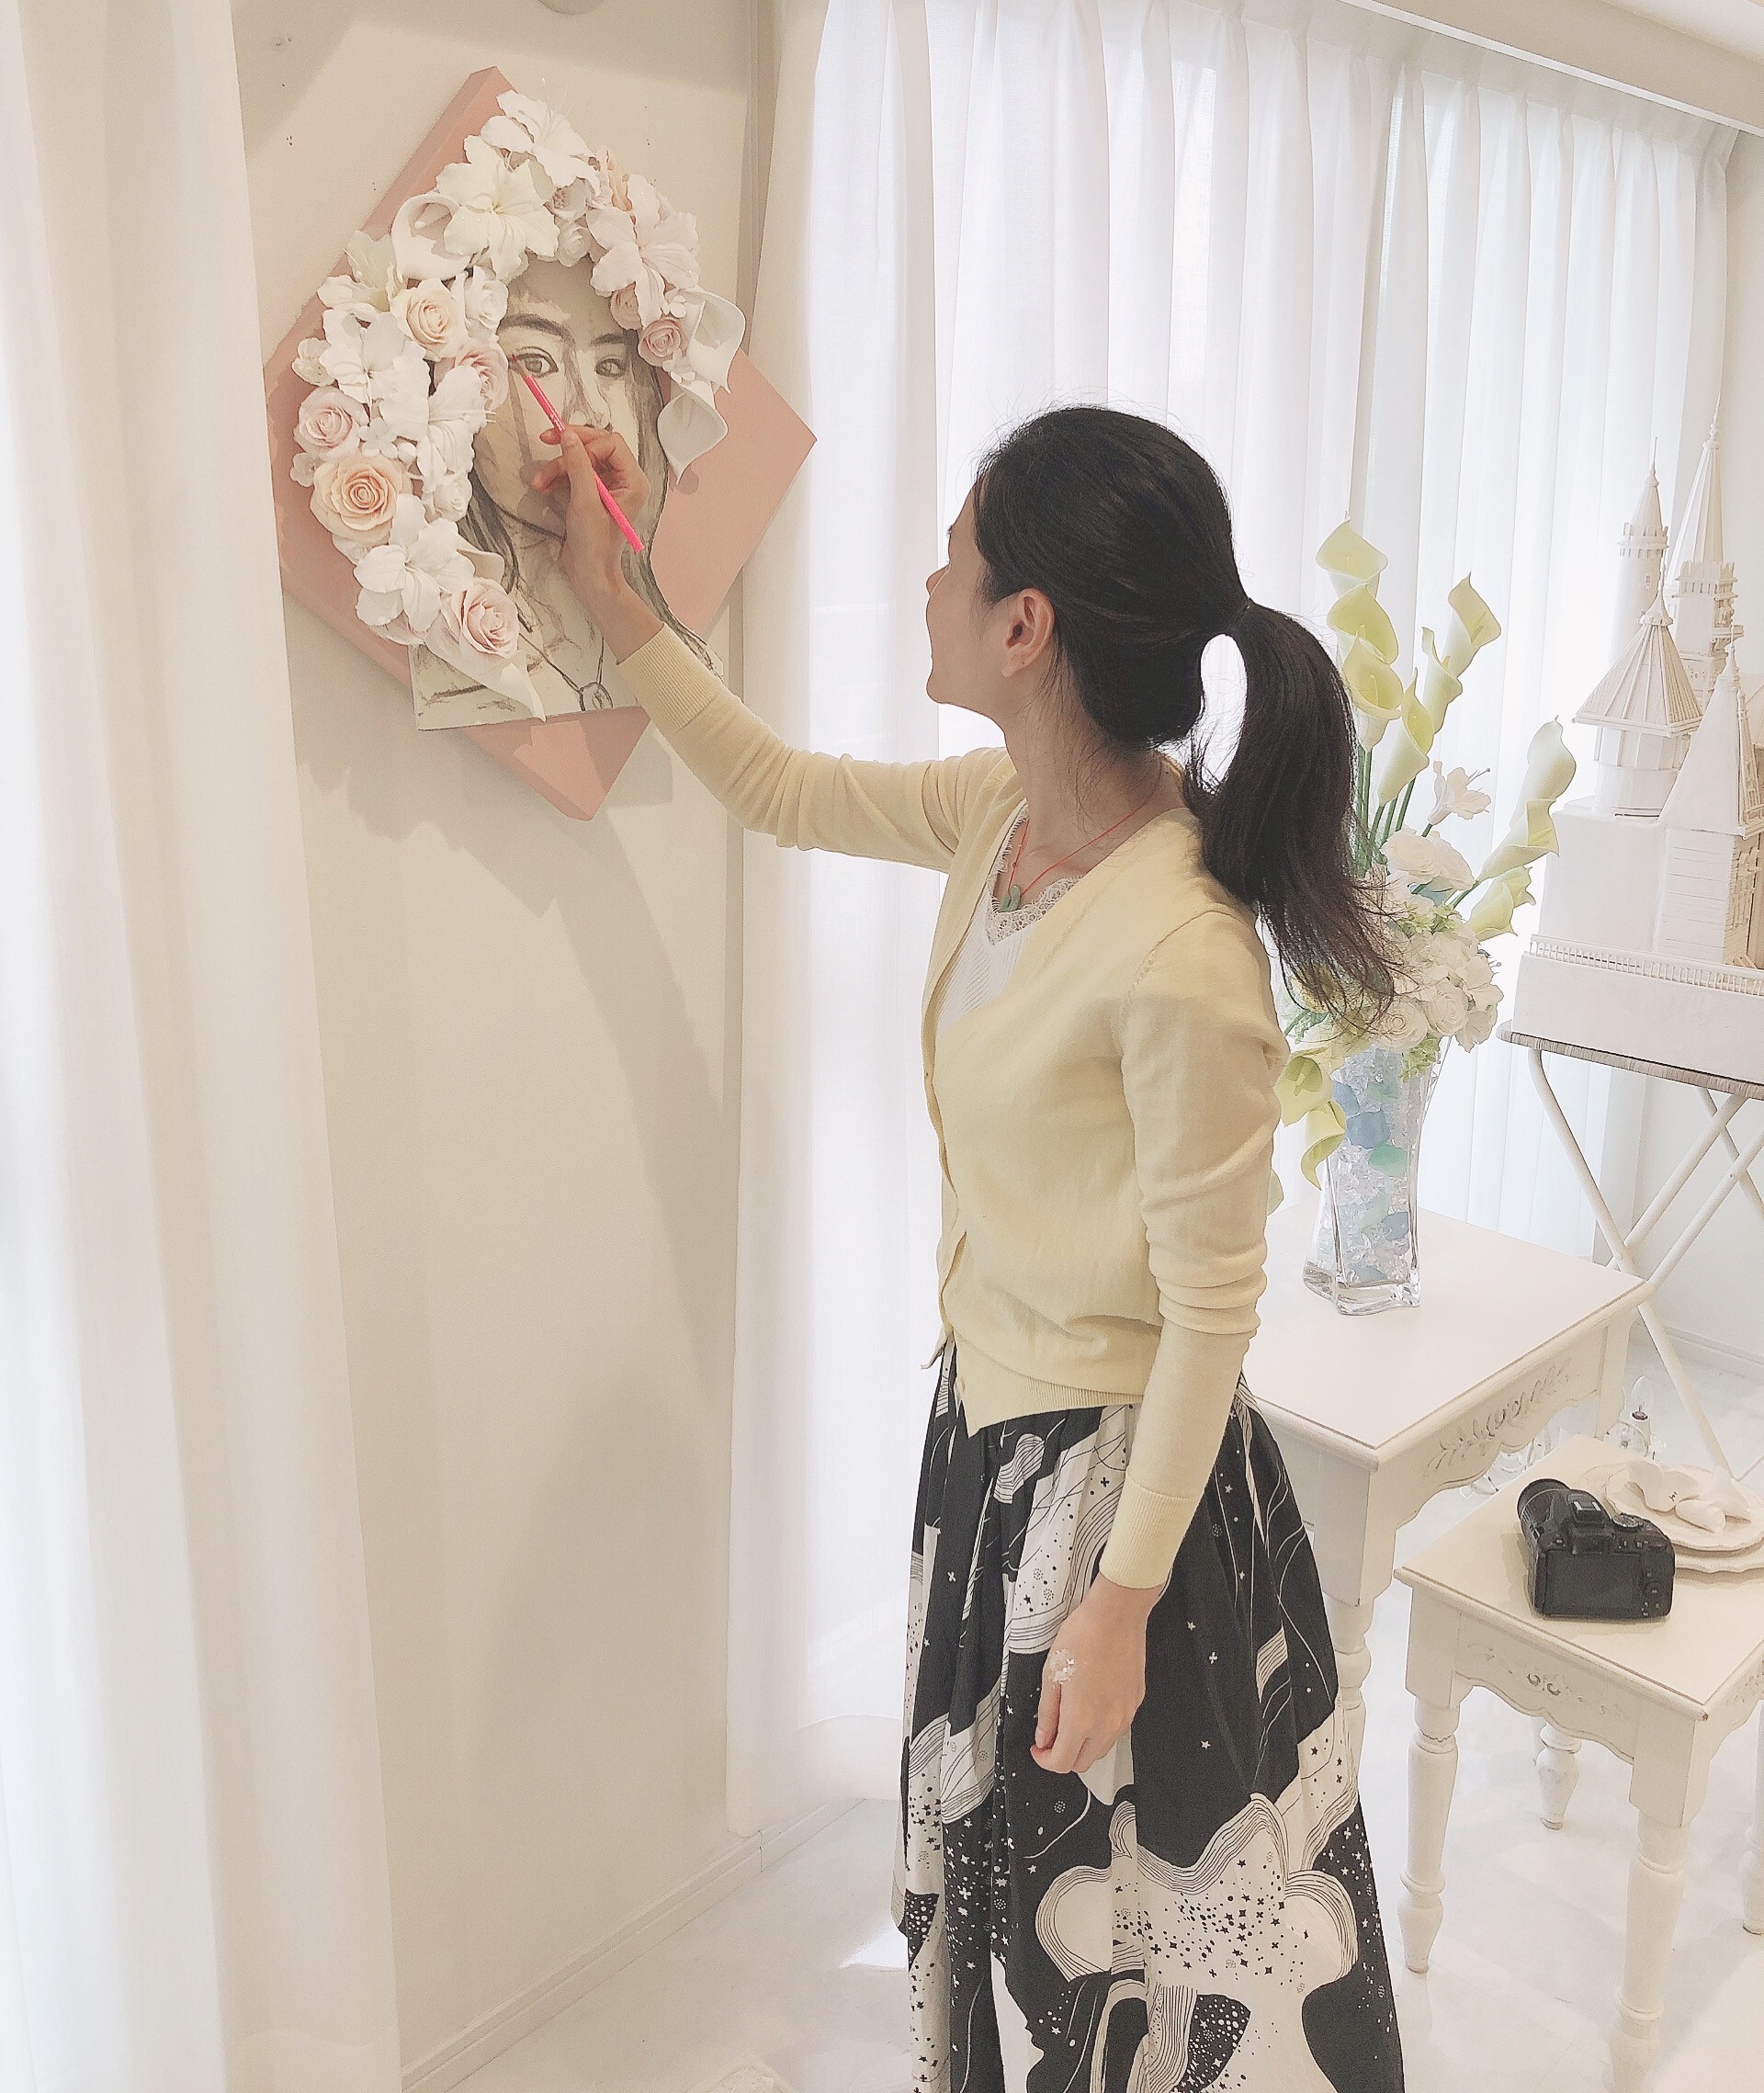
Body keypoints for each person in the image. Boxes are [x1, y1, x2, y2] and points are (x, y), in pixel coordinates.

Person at [532, 403, 1407, 2088]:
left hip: (1123, 1502)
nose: (927, 583)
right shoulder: (1004, 819)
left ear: (1027, 626)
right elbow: (781, 787)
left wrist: (1119, 1606)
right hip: (995, 1447)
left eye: (954, 557)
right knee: (1030, 1913)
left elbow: (1212, 1313)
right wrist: (614, 590)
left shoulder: (1181, 948)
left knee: (1125, 1945)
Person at [412, 257, 700, 726]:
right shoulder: (450, 682)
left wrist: (602, 579)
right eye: (536, 362)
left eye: (610, 365)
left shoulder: (693, 662)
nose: (591, 411)